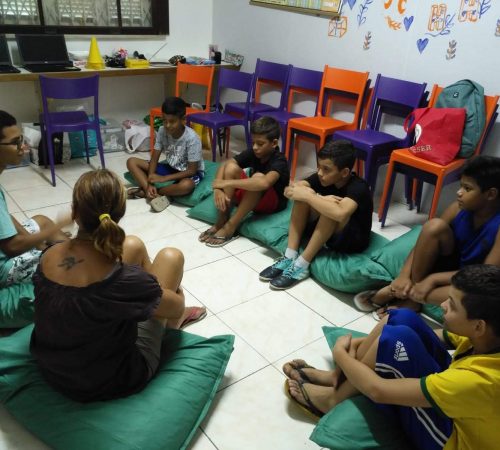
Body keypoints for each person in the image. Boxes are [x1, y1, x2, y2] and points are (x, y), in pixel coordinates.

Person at [30, 169, 207, 402]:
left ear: (74, 212)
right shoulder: (121, 280)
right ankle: (167, 325)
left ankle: (147, 301)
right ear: (120, 214)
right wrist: (171, 294)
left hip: (52, 367)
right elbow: (174, 306)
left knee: (132, 244)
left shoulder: (48, 256)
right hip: (109, 380)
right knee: (171, 257)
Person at [283, 264, 500, 450]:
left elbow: (378, 391)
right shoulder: (487, 337)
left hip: (450, 438)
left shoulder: (482, 381)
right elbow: (434, 335)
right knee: (401, 318)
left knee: (394, 341)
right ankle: (335, 380)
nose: (442, 305)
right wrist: (369, 341)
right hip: (462, 401)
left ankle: (332, 400)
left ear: (479, 325)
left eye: (452, 304)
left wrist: (342, 356)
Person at [355, 155, 500, 320]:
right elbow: (422, 242)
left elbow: (486, 277)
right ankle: (412, 294)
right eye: (461, 186)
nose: (459, 193)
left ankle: (410, 296)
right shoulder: (458, 209)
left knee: (472, 296)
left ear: (490, 194)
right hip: (451, 265)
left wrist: (433, 279)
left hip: (474, 281)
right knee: (433, 226)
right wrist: (403, 275)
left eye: (467, 189)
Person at [259, 139, 373, 290]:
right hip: (329, 231)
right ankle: (290, 256)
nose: (320, 173)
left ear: (344, 172)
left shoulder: (359, 187)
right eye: (319, 167)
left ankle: (302, 265)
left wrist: (311, 197)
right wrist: (315, 197)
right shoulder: (321, 178)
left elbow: (340, 214)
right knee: (304, 199)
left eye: (326, 169)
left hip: (352, 239)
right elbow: (290, 191)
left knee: (330, 208)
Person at [0, 110, 69, 288]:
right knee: (68, 260)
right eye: (16, 143)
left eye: (21, 140)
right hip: (4, 269)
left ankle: (67, 248)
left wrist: (39, 244)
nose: (23, 147)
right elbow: (12, 247)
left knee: (42, 221)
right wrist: (58, 226)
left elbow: (5, 217)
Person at [199, 116, 289, 247]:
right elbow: (226, 164)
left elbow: (264, 183)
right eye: (253, 142)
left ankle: (231, 226)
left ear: (274, 143)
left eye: (260, 143)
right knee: (230, 167)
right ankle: (222, 218)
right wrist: (217, 188)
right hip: (251, 198)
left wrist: (227, 184)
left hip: (272, 204)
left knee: (258, 178)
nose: (255, 147)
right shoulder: (254, 152)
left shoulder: (280, 160)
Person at [126, 96, 204, 212]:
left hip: (189, 173)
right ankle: (150, 190)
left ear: (183, 120)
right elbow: (155, 157)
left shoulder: (192, 138)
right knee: (131, 161)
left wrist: (163, 179)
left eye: (172, 121)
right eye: (164, 120)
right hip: (171, 167)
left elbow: (192, 170)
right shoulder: (162, 131)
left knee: (186, 186)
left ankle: (148, 192)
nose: (167, 125)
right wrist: (151, 179)